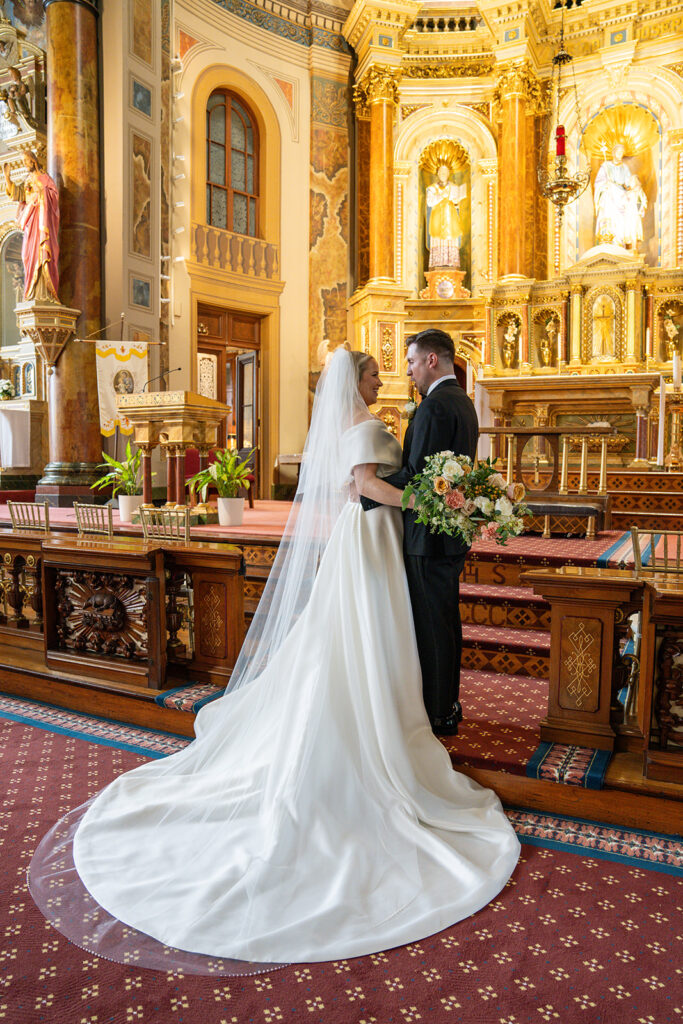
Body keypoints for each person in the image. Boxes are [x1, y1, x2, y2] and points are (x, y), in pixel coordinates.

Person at [31, 347, 519, 969]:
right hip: (372, 535)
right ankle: (379, 726)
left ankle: (385, 714)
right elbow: (367, 484)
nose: (379, 380)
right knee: (365, 634)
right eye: (372, 373)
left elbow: (358, 482)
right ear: (356, 380)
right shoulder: (367, 425)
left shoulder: (364, 421)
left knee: (360, 637)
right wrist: (435, 503)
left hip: (368, 537)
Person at [363, 329, 478, 735]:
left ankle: (437, 712)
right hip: (449, 532)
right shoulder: (463, 401)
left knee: (432, 626)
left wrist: (365, 489)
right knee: (445, 621)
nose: (408, 371)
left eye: (411, 362)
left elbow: (418, 477)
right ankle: (447, 704)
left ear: (432, 360)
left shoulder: (433, 407)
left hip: (428, 536)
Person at [2, 150, 59, 301]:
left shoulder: (45, 178)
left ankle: (45, 293)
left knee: (43, 254)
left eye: (26, 162)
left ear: (33, 161)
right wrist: (7, 178)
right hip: (30, 225)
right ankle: (31, 292)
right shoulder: (27, 180)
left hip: (42, 222)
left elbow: (54, 196)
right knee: (27, 255)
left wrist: (41, 196)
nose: (25, 165)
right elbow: (16, 194)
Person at [593, 143, 646, 250]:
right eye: (618, 152)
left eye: (622, 152)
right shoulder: (606, 166)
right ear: (613, 153)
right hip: (609, 196)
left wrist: (630, 186)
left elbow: (628, 184)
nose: (620, 154)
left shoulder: (624, 168)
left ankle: (620, 242)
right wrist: (605, 185)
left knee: (622, 220)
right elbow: (598, 183)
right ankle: (608, 240)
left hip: (621, 197)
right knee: (609, 214)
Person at [426, 163, 466, 269]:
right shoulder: (432, 188)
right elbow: (430, 202)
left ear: (448, 174)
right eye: (441, 172)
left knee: (451, 238)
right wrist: (441, 195)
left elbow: (457, 204)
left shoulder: (454, 187)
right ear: (437, 174)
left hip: (450, 218)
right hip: (437, 218)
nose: (443, 174)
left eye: (445, 172)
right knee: (438, 237)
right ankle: (438, 263)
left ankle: (451, 263)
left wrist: (457, 201)